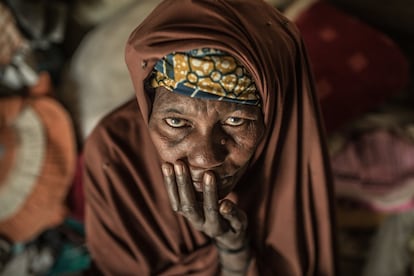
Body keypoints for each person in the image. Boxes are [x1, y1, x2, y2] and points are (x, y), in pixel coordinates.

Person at [83, 0, 337, 275]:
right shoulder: (115, 153)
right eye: (176, 122)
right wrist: (232, 254)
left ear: (272, 114)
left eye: (235, 120)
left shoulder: (291, 150)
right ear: (150, 108)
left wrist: (233, 250)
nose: (205, 158)